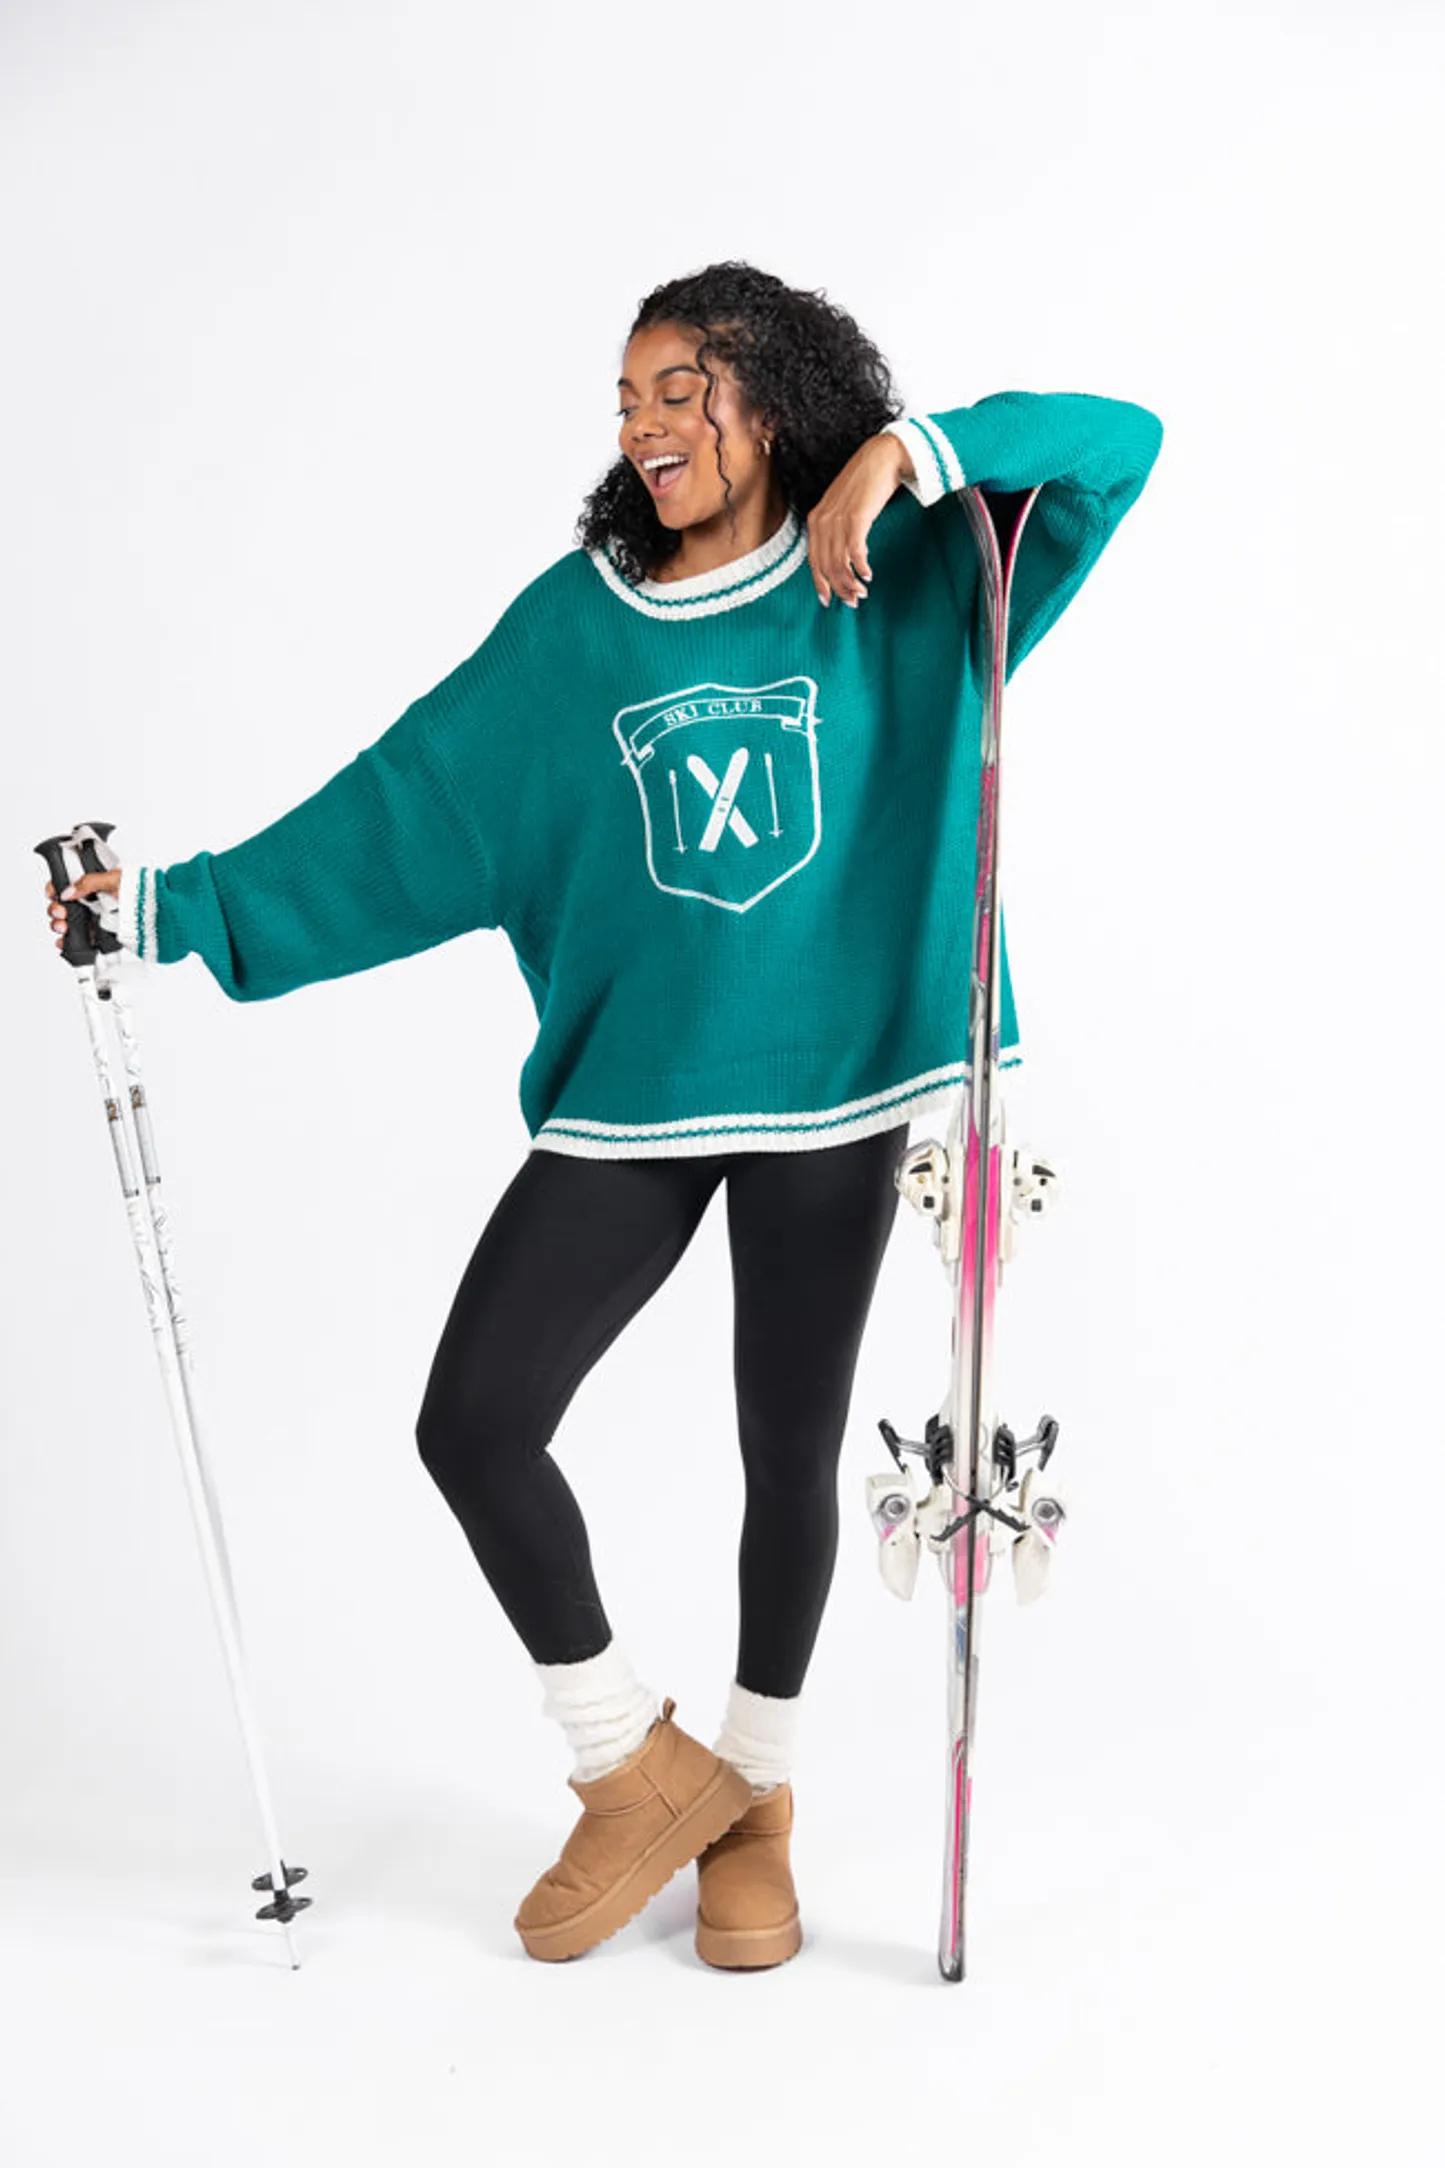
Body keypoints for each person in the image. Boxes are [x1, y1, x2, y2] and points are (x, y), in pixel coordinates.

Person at [45, 259, 1163, 1969]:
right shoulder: (575, 632)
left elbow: (1116, 444)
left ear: (775, 397)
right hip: (637, 1098)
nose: (645, 425)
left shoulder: (912, 570)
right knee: (476, 1421)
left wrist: (910, 454)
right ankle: (632, 1763)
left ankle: (759, 1799)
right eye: (627, 399)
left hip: (842, 1086)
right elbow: (401, 811)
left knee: (785, 1449)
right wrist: (168, 909)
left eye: (679, 389)